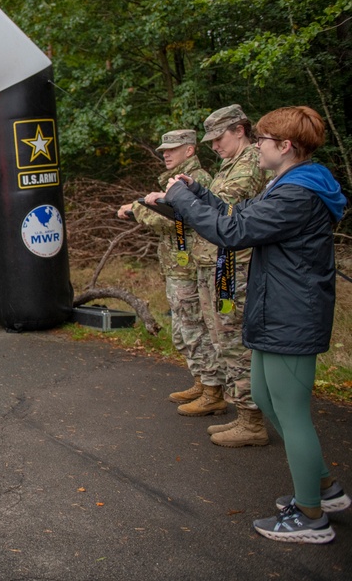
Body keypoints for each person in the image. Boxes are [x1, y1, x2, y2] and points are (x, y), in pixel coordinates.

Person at [151, 106, 349, 543]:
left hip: (290, 315)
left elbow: (232, 233)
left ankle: (311, 516)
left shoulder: (298, 194)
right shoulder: (286, 185)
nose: (257, 145)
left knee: (291, 414)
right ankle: (322, 489)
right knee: (264, 395)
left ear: (286, 147)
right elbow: (235, 217)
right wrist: (195, 192)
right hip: (273, 309)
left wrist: (181, 199)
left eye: (263, 139)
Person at [117, 130, 216, 411]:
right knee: (184, 330)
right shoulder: (175, 181)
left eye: (173, 148)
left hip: (191, 267)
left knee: (194, 329)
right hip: (178, 265)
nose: (166, 154)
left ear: (190, 150)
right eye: (163, 150)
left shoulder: (196, 181)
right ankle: (202, 382)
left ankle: (213, 392)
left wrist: (137, 210)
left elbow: (177, 219)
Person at [194, 105, 270, 446]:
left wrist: (183, 200)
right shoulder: (231, 164)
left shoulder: (251, 161)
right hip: (224, 262)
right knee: (223, 340)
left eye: (219, 138)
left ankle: (253, 421)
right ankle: (245, 413)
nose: (214, 146)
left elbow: (224, 205)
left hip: (237, 265)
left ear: (240, 129)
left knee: (235, 342)